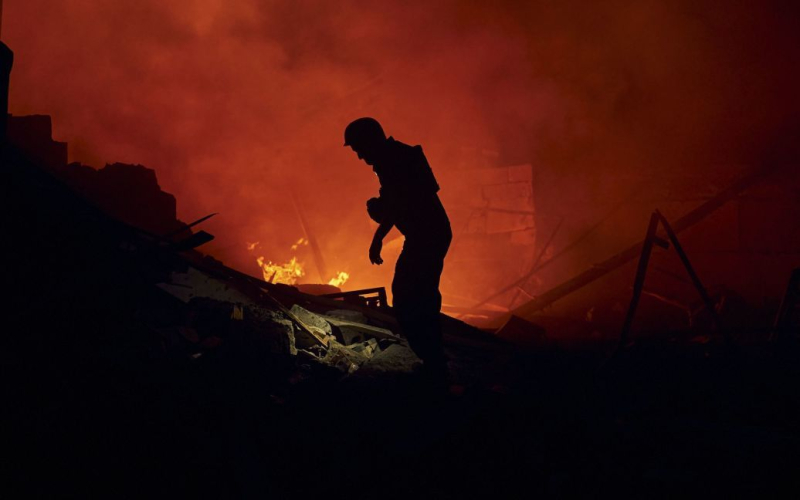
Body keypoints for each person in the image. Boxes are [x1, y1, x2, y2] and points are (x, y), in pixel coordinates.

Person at [344, 117, 452, 378]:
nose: (359, 156)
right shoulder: (393, 158)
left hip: (427, 237)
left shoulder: (395, 161)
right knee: (418, 299)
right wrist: (379, 232)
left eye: (359, 148)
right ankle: (434, 363)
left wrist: (379, 224)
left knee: (409, 301)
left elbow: (401, 204)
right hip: (426, 235)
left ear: (371, 141)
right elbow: (398, 203)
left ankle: (435, 367)